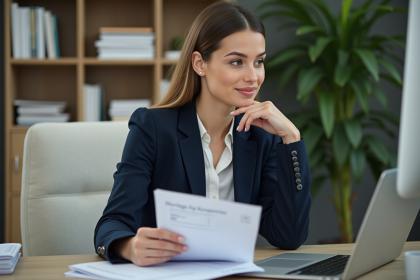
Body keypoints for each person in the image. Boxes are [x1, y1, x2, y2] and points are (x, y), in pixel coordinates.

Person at [94, 1, 311, 267]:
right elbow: (111, 225)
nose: (253, 76)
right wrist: (129, 247)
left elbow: (288, 235)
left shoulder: (261, 138)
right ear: (199, 64)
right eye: (236, 62)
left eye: (259, 62)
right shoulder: (153, 127)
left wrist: (291, 139)